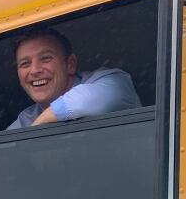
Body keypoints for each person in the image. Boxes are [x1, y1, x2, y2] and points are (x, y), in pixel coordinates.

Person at [7, 28, 141, 130]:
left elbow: (107, 96)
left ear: (70, 64)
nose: (35, 70)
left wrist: (39, 124)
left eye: (46, 58)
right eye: (25, 64)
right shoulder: (25, 119)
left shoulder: (113, 81)